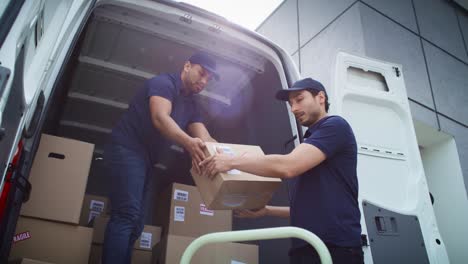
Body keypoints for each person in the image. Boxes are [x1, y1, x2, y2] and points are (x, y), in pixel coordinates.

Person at [200, 78, 363, 264]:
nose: (293, 108)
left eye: (299, 99)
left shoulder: (335, 126)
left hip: (334, 248)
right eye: (291, 104)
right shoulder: (311, 142)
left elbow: (287, 166)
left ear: (321, 97)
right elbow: (308, 207)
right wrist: (267, 211)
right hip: (305, 246)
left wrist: (231, 162)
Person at [102, 52, 218, 264]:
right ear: (187, 66)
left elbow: (205, 137)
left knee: (137, 223)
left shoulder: (192, 104)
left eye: (208, 79)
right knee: (126, 215)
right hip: (126, 148)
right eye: (201, 73)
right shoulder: (164, 83)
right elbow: (160, 118)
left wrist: (229, 157)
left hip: (146, 160)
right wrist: (189, 143)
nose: (203, 82)